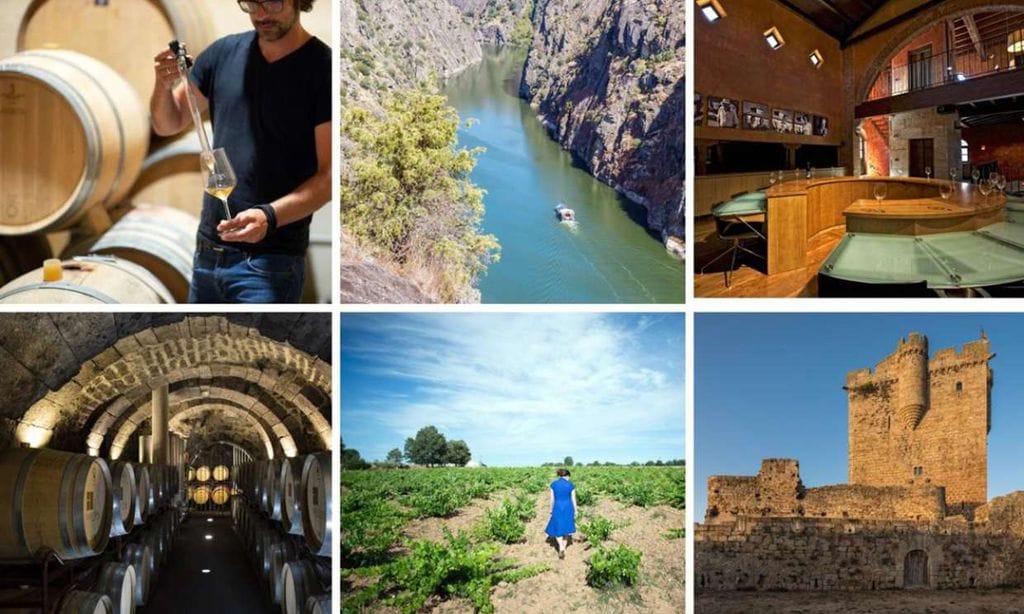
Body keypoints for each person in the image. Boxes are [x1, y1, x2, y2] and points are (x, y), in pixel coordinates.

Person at [150, 0, 331, 303]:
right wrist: (162, 85)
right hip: (208, 252)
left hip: (270, 264)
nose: (261, 14)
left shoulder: (322, 68)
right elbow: (168, 123)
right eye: (251, 3)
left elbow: (328, 179)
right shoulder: (222, 54)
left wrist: (268, 216)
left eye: (272, 2)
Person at [544, 468, 577, 559]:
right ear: (567, 476)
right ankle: (564, 548)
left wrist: (551, 509)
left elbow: (552, 499)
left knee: (557, 527)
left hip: (557, 507)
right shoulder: (571, 485)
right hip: (568, 507)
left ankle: (561, 546)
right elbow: (573, 499)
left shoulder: (553, 484)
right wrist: (576, 510)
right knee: (566, 528)